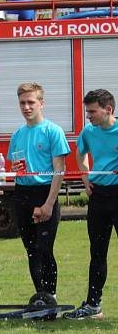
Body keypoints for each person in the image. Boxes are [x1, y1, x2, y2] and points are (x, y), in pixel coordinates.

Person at [7, 82, 68, 299]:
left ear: (41, 103)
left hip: (45, 192)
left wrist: (49, 204)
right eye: (22, 102)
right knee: (31, 251)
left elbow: (59, 171)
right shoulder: (17, 135)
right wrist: (14, 167)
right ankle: (40, 298)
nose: (26, 107)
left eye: (31, 102)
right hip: (22, 192)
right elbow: (14, 164)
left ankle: (50, 296)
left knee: (44, 249)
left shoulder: (54, 131)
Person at [64, 89, 118, 319]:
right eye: (87, 112)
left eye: (92, 111)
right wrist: (85, 179)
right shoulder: (89, 131)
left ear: (108, 110)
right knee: (97, 253)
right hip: (98, 197)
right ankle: (93, 305)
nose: (88, 116)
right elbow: (80, 154)